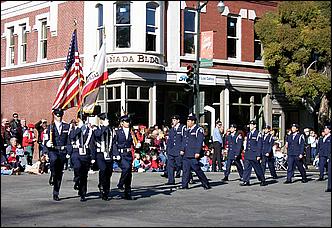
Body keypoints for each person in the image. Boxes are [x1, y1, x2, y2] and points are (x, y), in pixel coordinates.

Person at [43, 108, 71, 201]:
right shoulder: (50, 127)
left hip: (62, 151)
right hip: (53, 150)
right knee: (54, 160)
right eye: (57, 116)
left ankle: (56, 192)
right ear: (54, 116)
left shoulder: (67, 127)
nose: (58, 117)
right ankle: (52, 173)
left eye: (60, 116)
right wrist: (47, 147)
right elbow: (45, 140)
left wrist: (69, 151)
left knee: (59, 173)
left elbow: (69, 140)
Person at [178, 113, 211, 190]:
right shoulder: (187, 130)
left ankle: (205, 183)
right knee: (186, 170)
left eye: (189, 121)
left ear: (193, 121)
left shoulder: (198, 130)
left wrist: (197, 152)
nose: (187, 122)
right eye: (187, 121)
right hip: (186, 153)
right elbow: (184, 141)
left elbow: (199, 142)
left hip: (193, 154)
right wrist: (182, 149)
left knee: (197, 169)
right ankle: (184, 185)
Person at [69, 116, 94, 202]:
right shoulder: (73, 128)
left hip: (86, 153)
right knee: (77, 167)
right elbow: (72, 136)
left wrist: (92, 156)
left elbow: (92, 143)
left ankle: (83, 192)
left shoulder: (89, 130)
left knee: (84, 174)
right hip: (76, 151)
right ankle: (76, 178)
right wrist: (79, 127)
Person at [91, 113, 114, 201]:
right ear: (100, 120)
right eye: (104, 119)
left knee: (108, 172)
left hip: (109, 153)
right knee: (103, 169)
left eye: (107, 120)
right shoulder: (96, 128)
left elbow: (114, 141)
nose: (106, 121)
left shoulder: (111, 129)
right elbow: (98, 135)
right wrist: (104, 126)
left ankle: (106, 188)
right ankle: (103, 189)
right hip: (100, 154)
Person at [112, 114, 134, 200]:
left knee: (129, 174)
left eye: (129, 121)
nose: (128, 123)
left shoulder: (131, 132)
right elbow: (114, 144)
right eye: (126, 121)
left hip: (128, 154)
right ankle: (120, 184)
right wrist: (116, 154)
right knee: (126, 168)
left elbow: (133, 142)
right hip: (121, 154)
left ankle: (127, 193)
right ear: (122, 123)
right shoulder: (117, 132)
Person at [240, 120, 267, 186]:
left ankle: (262, 180)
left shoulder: (258, 134)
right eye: (250, 125)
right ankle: (245, 180)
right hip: (248, 153)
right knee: (246, 168)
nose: (250, 126)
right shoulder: (249, 133)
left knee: (257, 168)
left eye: (252, 125)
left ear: (255, 125)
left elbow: (259, 145)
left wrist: (258, 155)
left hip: (254, 154)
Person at [164, 115, 186, 185]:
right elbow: (169, 141)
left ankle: (189, 177)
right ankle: (171, 180)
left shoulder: (182, 128)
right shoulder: (171, 129)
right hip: (171, 150)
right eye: (172, 120)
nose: (173, 121)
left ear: (178, 120)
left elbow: (184, 140)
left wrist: (183, 149)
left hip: (178, 150)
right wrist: (167, 150)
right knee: (170, 166)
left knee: (180, 164)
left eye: (174, 120)